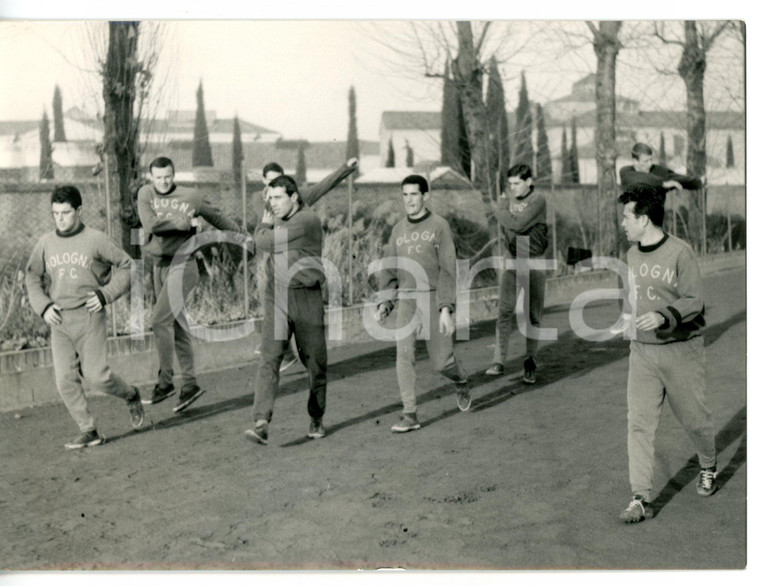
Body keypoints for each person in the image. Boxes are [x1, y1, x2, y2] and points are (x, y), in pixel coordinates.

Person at [616, 183, 716, 524]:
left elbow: (694, 300)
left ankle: (707, 463)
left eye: (627, 217)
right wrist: (628, 319)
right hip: (642, 352)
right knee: (638, 424)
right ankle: (640, 497)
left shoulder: (679, 252)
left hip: (681, 350)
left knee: (695, 420)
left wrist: (663, 315)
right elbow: (636, 297)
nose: (623, 223)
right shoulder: (630, 255)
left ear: (644, 218)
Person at [25, 185, 145, 449]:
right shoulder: (45, 243)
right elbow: (32, 276)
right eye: (55, 213)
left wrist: (106, 294)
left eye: (66, 213)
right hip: (59, 320)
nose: (60, 218)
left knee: (98, 377)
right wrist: (44, 306)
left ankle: (131, 394)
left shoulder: (96, 239)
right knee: (64, 380)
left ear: (78, 211)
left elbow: (127, 265)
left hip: (89, 315)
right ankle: (88, 429)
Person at [137, 157, 240, 412]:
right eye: (159, 177)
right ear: (152, 177)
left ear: (174, 174)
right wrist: (182, 223)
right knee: (176, 325)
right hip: (159, 267)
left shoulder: (191, 196)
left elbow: (217, 217)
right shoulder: (145, 193)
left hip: (184, 265)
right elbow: (151, 225)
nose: (164, 181)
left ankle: (165, 382)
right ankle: (190, 384)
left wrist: (243, 237)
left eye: (168, 176)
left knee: (159, 321)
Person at [374, 174, 470, 433]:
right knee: (403, 355)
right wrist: (386, 301)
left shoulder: (439, 226)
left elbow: (448, 270)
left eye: (414, 194)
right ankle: (410, 413)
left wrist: (446, 309)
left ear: (425, 196)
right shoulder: (398, 229)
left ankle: (460, 380)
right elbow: (390, 268)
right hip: (407, 299)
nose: (409, 200)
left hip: (433, 296)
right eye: (405, 195)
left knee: (442, 363)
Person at [245, 175, 330, 445]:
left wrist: (262, 226)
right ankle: (261, 422)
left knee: (315, 364)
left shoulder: (306, 221)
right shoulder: (277, 216)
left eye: (278, 198)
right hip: (278, 297)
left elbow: (264, 242)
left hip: (307, 297)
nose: (272, 204)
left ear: (294, 197)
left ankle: (316, 416)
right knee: (270, 357)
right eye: (269, 199)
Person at [253, 158, 358, 373]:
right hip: (273, 252)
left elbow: (322, 187)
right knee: (269, 300)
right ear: (263, 181)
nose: (273, 184)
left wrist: (345, 168)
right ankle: (282, 351)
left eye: (278, 180)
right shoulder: (258, 199)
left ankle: (285, 351)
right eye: (270, 181)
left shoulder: (297, 198)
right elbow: (262, 227)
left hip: (295, 256)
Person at [485, 164, 549, 384]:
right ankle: (498, 360)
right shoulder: (509, 202)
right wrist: (507, 219)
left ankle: (530, 362)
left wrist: (501, 209)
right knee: (504, 311)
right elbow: (507, 230)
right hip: (513, 260)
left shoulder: (538, 199)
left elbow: (518, 225)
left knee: (532, 315)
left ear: (529, 181)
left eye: (517, 183)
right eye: (510, 184)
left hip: (534, 261)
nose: (513, 188)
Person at [619, 142, 703, 195]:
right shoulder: (626, 172)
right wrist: (662, 184)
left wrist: (699, 183)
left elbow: (678, 178)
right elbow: (641, 179)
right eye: (645, 161)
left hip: (655, 222)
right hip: (633, 222)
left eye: (650, 160)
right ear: (635, 161)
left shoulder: (657, 171)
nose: (650, 164)